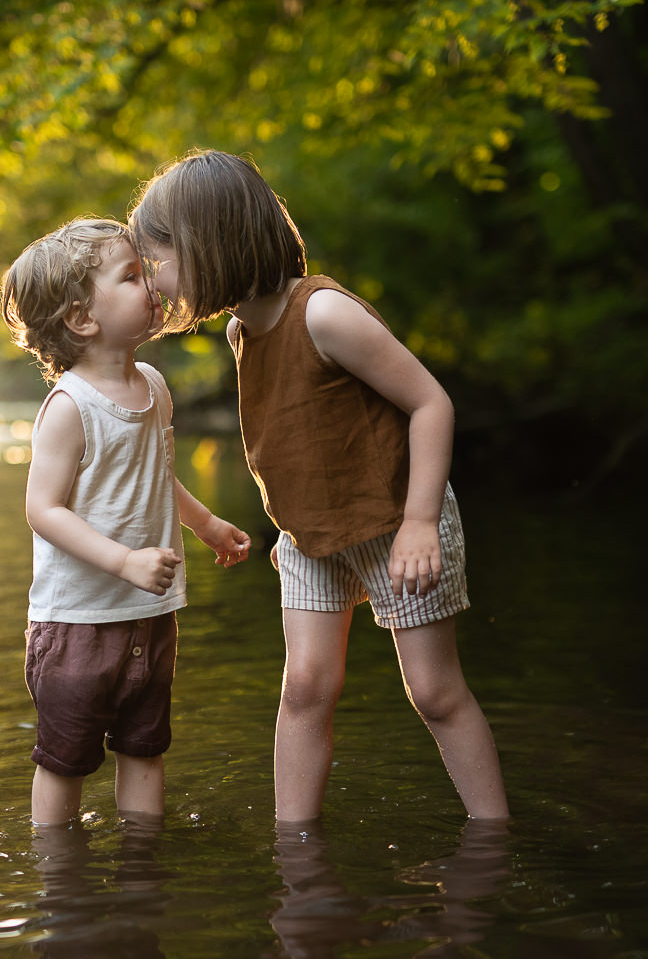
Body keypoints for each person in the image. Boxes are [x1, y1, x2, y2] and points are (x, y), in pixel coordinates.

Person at [129, 151, 509, 822]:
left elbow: (431, 404)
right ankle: (293, 848)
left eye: (157, 257)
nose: (153, 276)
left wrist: (421, 521)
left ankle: (493, 834)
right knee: (304, 687)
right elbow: (292, 440)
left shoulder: (324, 315)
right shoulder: (241, 329)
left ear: (208, 242)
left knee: (434, 690)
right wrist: (288, 528)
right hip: (311, 539)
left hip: (397, 522)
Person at [0, 216, 251, 826]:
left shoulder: (154, 387)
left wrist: (207, 524)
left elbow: (156, 476)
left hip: (148, 615)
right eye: (133, 276)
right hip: (78, 621)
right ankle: (61, 878)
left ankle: (143, 864)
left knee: (145, 747)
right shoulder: (70, 406)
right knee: (65, 758)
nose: (153, 284)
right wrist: (125, 561)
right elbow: (42, 509)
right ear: (83, 319)